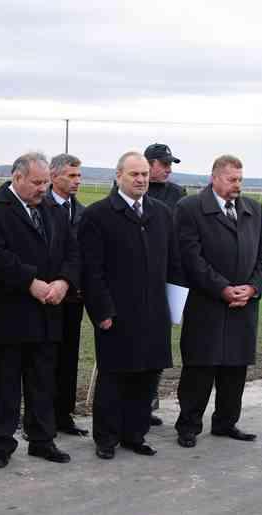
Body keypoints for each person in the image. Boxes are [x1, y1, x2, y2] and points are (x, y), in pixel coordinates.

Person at [0, 152, 80, 468]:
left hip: (49, 310)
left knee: (43, 379)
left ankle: (42, 440)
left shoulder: (53, 210)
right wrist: (30, 282)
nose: (43, 188)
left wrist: (63, 282)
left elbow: (72, 251)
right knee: (4, 381)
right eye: (36, 182)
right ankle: (1, 444)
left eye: (46, 182)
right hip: (10, 311)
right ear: (16, 178)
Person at [79, 151, 184, 459]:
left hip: (154, 313)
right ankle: (106, 438)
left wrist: (175, 307)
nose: (140, 180)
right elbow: (91, 271)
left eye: (144, 175)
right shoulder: (98, 215)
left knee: (147, 376)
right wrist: (102, 312)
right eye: (134, 174)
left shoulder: (162, 213)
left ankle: (135, 434)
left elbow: (174, 264)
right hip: (117, 314)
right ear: (119, 176)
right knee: (115, 377)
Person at [174, 154, 262, 448]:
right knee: (200, 368)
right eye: (232, 179)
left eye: (240, 179)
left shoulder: (254, 210)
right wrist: (222, 289)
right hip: (206, 304)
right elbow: (191, 258)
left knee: (235, 368)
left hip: (244, 306)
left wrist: (253, 288)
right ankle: (188, 426)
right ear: (214, 177)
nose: (237, 185)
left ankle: (226, 422)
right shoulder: (189, 208)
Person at [144, 143, 188, 426]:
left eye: (171, 163)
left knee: (159, 345)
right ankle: (129, 403)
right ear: (149, 164)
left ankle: (149, 403)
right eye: (164, 163)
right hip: (137, 280)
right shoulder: (134, 188)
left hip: (167, 279)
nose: (169, 168)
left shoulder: (177, 194)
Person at [45, 153, 88, 437]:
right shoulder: (41, 207)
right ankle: (41, 417)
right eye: (71, 176)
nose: (76, 182)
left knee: (69, 357)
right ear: (53, 175)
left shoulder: (82, 212)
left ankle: (64, 415)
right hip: (47, 295)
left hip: (74, 297)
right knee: (45, 360)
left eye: (79, 176)